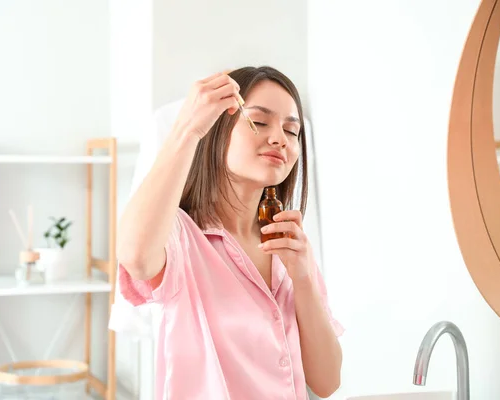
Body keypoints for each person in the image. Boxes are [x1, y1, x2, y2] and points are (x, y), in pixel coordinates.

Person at [116, 66, 344, 400]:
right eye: (260, 122)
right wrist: (187, 128)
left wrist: (304, 280)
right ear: (217, 132)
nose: (280, 138)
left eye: (292, 131)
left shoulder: (290, 246)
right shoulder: (180, 238)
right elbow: (135, 256)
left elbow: (327, 382)